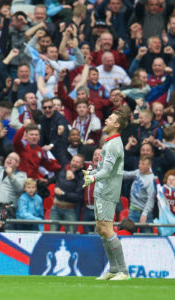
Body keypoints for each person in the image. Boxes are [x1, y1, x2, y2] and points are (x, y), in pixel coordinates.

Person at [83, 110, 130, 280]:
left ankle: (123, 271)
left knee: (107, 229)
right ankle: (113, 269)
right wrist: (91, 174)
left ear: (116, 125)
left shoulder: (114, 145)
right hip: (102, 189)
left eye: (110, 119)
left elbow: (108, 171)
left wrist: (92, 178)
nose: (107, 120)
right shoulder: (109, 143)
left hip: (108, 190)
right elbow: (104, 168)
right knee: (101, 229)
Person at [123, 156, 156, 233]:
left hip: (144, 212)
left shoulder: (151, 180)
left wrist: (145, 214)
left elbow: (151, 199)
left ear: (149, 166)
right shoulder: (138, 172)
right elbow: (126, 175)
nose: (140, 166)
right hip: (133, 210)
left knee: (146, 237)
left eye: (143, 164)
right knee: (129, 235)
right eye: (139, 163)